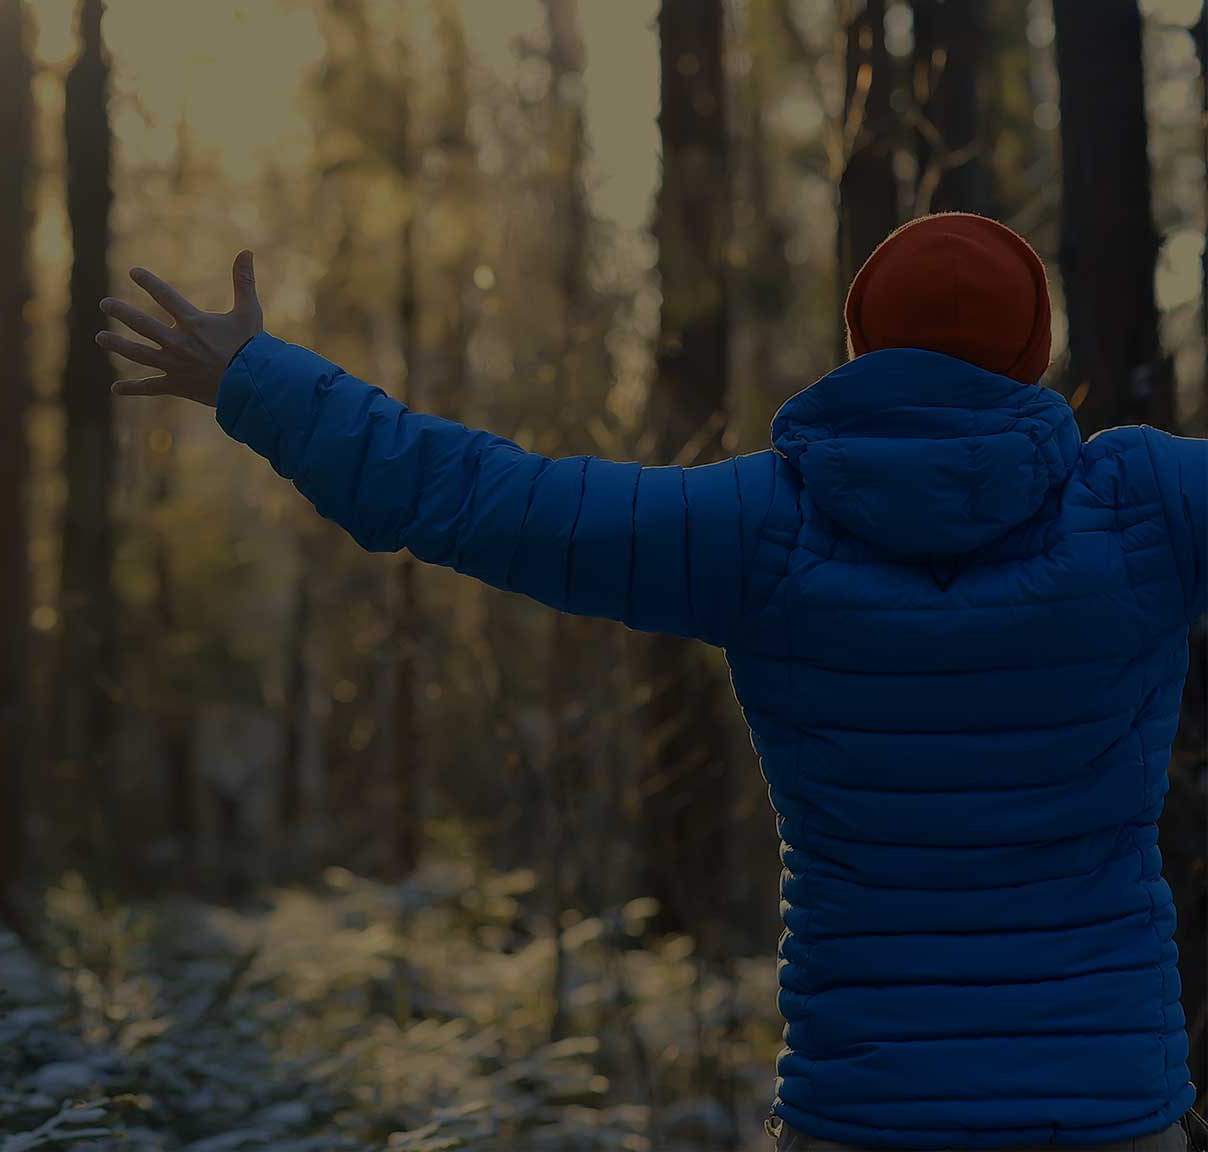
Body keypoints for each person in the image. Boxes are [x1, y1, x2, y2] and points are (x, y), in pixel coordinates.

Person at [95, 212, 1208, 1152]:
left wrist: (258, 376)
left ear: (863, 346)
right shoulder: (1147, 506)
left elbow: (484, 497)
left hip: (869, 1107)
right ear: (1036, 351)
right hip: (1107, 1106)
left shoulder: (762, 527)